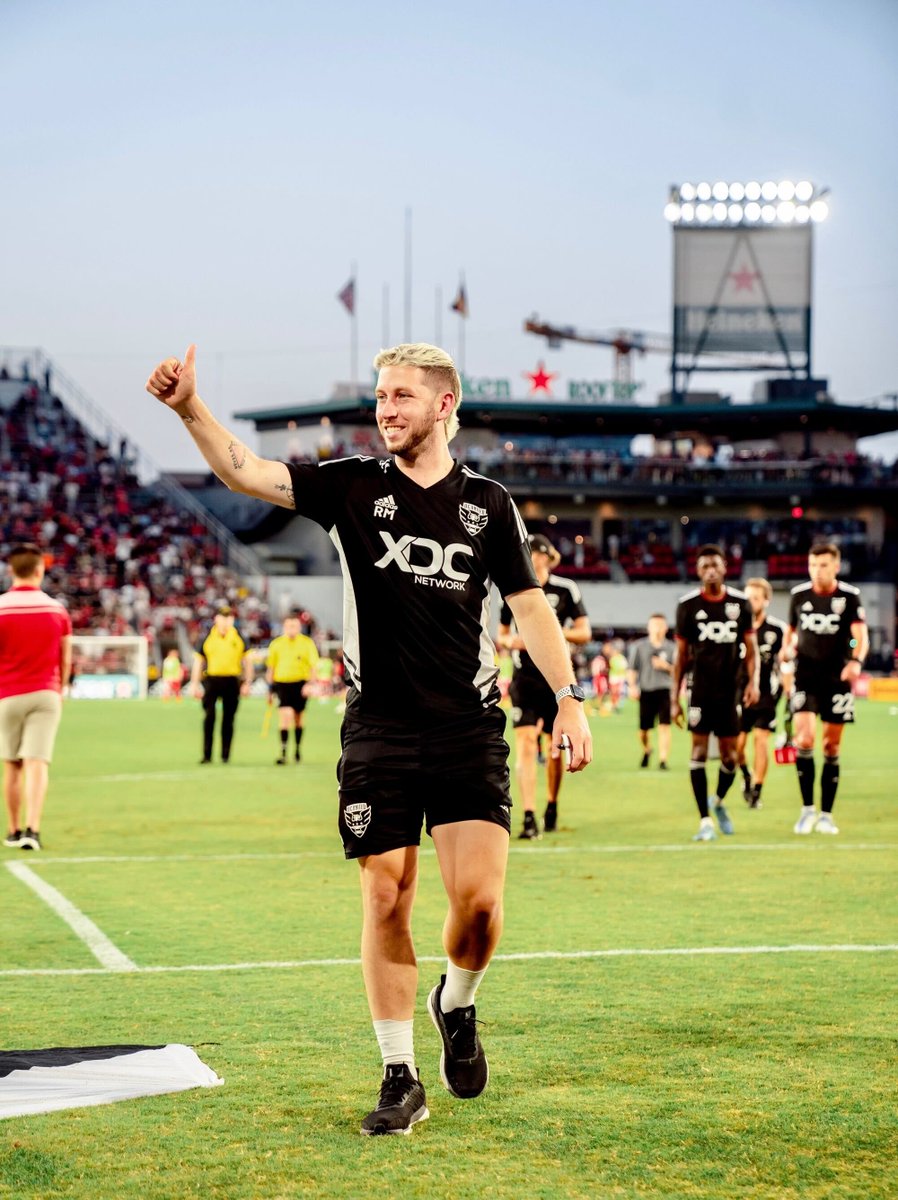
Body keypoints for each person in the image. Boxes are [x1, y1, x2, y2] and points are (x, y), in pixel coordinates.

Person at [146, 342, 592, 1137]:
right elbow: (247, 471)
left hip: (467, 727)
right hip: (380, 727)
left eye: (401, 397)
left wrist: (568, 698)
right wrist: (189, 411)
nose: (386, 410)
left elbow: (529, 606)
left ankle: (456, 1002)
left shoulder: (488, 504)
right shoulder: (352, 485)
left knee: (480, 910)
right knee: (386, 894)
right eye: (381, 397)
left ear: (444, 404)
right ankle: (400, 1074)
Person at [497, 533, 591, 838]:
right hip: (524, 679)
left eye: (538, 555)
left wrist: (548, 638)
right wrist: (517, 641)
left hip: (555, 680)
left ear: (548, 557)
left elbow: (584, 632)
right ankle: (527, 815)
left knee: (554, 750)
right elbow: (503, 635)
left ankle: (551, 804)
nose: (534, 560)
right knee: (524, 745)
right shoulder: (512, 587)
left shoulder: (565, 589)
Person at [671, 545, 759, 842]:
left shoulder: (740, 603)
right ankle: (705, 821)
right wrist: (674, 699)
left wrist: (753, 682)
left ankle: (718, 801)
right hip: (700, 691)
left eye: (715, 565)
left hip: (731, 690)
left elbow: (752, 651)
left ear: (725, 568)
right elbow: (681, 657)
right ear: (698, 571)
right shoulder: (687, 606)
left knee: (731, 757)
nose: (710, 570)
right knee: (697, 752)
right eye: (704, 566)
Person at [786, 542, 868, 835]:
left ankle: (826, 815)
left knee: (831, 745)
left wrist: (855, 659)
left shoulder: (850, 596)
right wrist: (787, 650)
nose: (816, 571)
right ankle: (807, 810)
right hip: (805, 676)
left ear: (836, 565)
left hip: (837, 678)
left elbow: (859, 635)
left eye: (822, 565)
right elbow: (792, 633)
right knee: (805, 740)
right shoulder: (798, 595)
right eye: (812, 565)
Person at [0, 544, 72, 852]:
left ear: (11, 571)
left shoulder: (1, 607)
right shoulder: (57, 610)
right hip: (45, 692)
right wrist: (61, 688)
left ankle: (13, 830)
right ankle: (33, 829)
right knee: (37, 762)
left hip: (7, 693)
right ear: (40, 571)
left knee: (12, 765)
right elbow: (65, 658)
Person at [735, 578, 787, 809]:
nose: (751, 602)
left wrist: (787, 692)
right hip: (738, 693)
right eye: (747, 598)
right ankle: (746, 774)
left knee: (761, 741)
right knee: (735, 747)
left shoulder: (777, 630)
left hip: (766, 694)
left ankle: (757, 790)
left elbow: (785, 664)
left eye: (755, 598)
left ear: (766, 601)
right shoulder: (734, 627)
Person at [190, 605, 253, 764]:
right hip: (212, 680)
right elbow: (198, 662)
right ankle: (207, 754)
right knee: (209, 717)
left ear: (232, 620)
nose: (225, 621)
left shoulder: (239, 637)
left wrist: (247, 682)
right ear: (216, 619)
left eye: (228, 618)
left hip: (232, 681)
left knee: (228, 719)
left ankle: (225, 755)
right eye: (222, 617)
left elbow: (248, 662)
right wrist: (195, 684)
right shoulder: (207, 637)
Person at [265, 612, 320, 765]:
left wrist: (310, 684)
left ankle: (297, 749)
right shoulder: (276, 644)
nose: (291, 629)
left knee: (298, 719)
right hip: (282, 684)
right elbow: (271, 668)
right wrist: (270, 690)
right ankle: (283, 753)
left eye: (294, 626)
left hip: (300, 684)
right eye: (289, 626)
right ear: (284, 627)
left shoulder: (307, 643)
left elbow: (313, 667)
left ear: (299, 626)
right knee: (285, 716)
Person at [627, 614, 675, 770]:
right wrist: (632, 686)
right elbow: (632, 669)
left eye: (661, 625)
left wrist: (666, 666)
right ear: (648, 627)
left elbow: (679, 671)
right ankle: (647, 749)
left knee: (665, 726)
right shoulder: (640, 646)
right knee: (644, 730)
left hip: (665, 690)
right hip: (646, 690)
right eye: (655, 625)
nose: (658, 628)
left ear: (666, 628)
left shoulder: (672, 647)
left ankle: (663, 760)